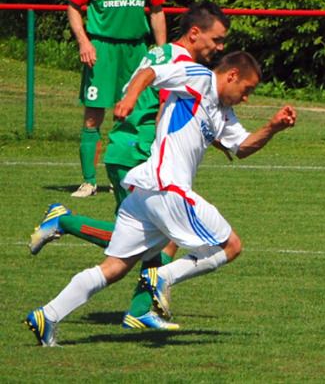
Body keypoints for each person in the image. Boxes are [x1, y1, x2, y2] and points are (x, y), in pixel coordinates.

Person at [25, 51, 297, 346]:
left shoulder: (223, 113)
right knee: (231, 246)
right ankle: (162, 277)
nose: (246, 98)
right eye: (247, 89)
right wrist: (129, 99)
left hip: (147, 193)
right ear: (232, 75)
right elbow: (151, 73)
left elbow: (241, 147)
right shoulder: (200, 77)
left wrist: (273, 127)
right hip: (167, 187)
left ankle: (47, 315)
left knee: (114, 268)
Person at [28, 1, 230, 330]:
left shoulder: (161, 52)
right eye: (217, 39)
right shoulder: (180, 61)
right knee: (139, 243)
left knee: (154, 239)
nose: (219, 48)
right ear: (195, 34)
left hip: (133, 148)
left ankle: (140, 309)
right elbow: (169, 104)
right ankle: (65, 222)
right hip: (138, 150)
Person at [68, 0, 167, 197]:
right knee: (93, 115)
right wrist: (84, 42)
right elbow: (74, 7)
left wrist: (161, 51)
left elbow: (158, 11)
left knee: (132, 114)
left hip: (136, 50)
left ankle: (123, 176)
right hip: (102, 50)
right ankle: (88, 180)